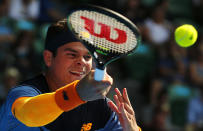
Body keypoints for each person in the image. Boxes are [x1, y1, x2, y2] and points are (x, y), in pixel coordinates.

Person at [0, 18, 141, 131]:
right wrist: (76, 94)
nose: (82, 62)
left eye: (87, 57)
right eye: (72, 54)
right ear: (49, 58)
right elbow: (28, 115)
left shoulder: (102, 108)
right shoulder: (23, 93)